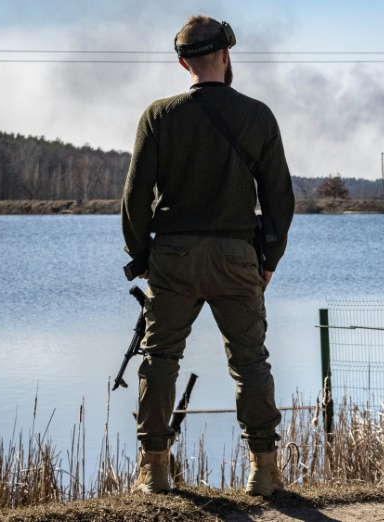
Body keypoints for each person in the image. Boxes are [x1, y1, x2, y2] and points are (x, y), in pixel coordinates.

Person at [121, 14, 294, 496]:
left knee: (160, 358)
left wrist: (141, 256)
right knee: (250, 362)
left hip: (172, 255)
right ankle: (263, 471)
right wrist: (269, 260)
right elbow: (280, 199)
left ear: (184, 64)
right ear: (225, 55)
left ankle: (155, 471)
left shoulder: (158, 116)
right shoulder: (258, 116)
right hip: (238, 256)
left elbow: (135, 198)